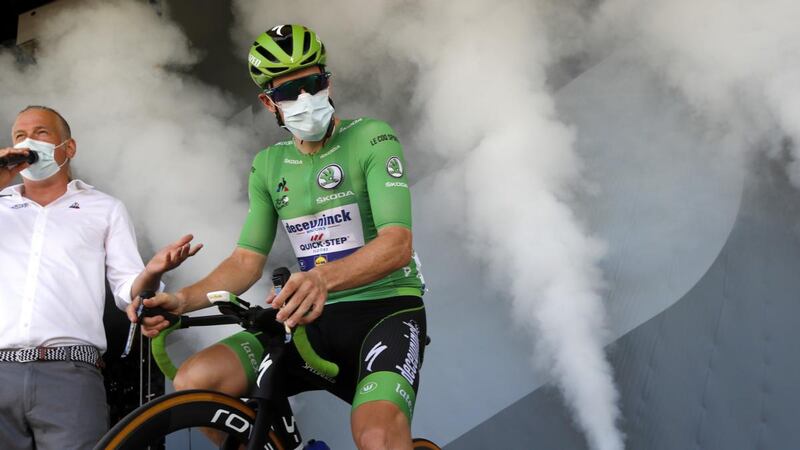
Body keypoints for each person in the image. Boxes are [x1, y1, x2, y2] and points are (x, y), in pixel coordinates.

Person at [137, 24, 427, 450]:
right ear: (268, 102)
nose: (306, 99)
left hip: (384, 313)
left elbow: (398, 243)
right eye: (290, 91)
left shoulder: (372, 137)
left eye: (314, 83)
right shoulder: (268, 165)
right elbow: (245, 262)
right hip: (311, 320)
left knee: (377, 437)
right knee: (193, 382)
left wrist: (322, 278)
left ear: (328, 81)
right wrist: (182, 301)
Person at [0, 105, 201, 450]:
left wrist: (151, 273)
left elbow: (129, 292)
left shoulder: (104, 207)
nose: (28, 142)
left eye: (41, 133)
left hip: (70, 371)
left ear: (69, 148)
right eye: (20, 135)